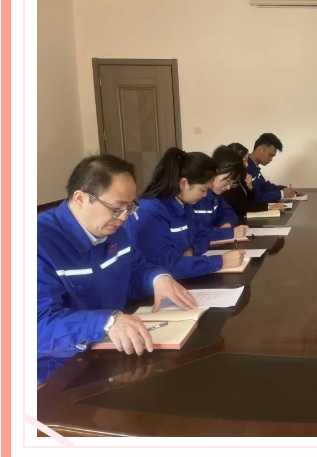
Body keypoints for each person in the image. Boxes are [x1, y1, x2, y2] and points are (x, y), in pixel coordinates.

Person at [37, 155, 198, 384]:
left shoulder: (111, 228)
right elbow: (37, 325)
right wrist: (105, 322)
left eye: (129, 207)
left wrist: (157, 278)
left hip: (110, 351)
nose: (124, 218)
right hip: (57, 369)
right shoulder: (37, 243)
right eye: (116, 208)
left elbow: (135, 269)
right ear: (81, 198)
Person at [127, 148, 245, 280]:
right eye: (203, 190)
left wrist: (192, 250)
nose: (205, 195)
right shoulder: (151, 212)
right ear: (183, 184)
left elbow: (201, 235)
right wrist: (221, 261)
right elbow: (165, 265)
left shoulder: (185, 205)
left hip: (180, 277)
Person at [192, 146, 249, 242]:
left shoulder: (216, 195)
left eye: (232, 184)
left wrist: (227, 224)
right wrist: (229, 233)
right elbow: (195, 233)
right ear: (216, 170)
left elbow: (229, 213)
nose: (228, 187)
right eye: (227, 181)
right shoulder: (194, 196)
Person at [222, 143, 285, 217]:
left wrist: (250, 187)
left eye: (247, 161)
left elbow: (251, 199)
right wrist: (269, 207)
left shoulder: (241, 177)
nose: (247, 164)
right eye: (244, 161)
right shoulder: (228, 181)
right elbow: (240, 206)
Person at [247, 133, 301, 202]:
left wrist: (286, 190)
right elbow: (254, 197)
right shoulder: (245, 167)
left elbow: (265, 187)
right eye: (270, 155)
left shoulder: (254, 166)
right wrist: (281, 194)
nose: (271, 159)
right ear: (260, 149)